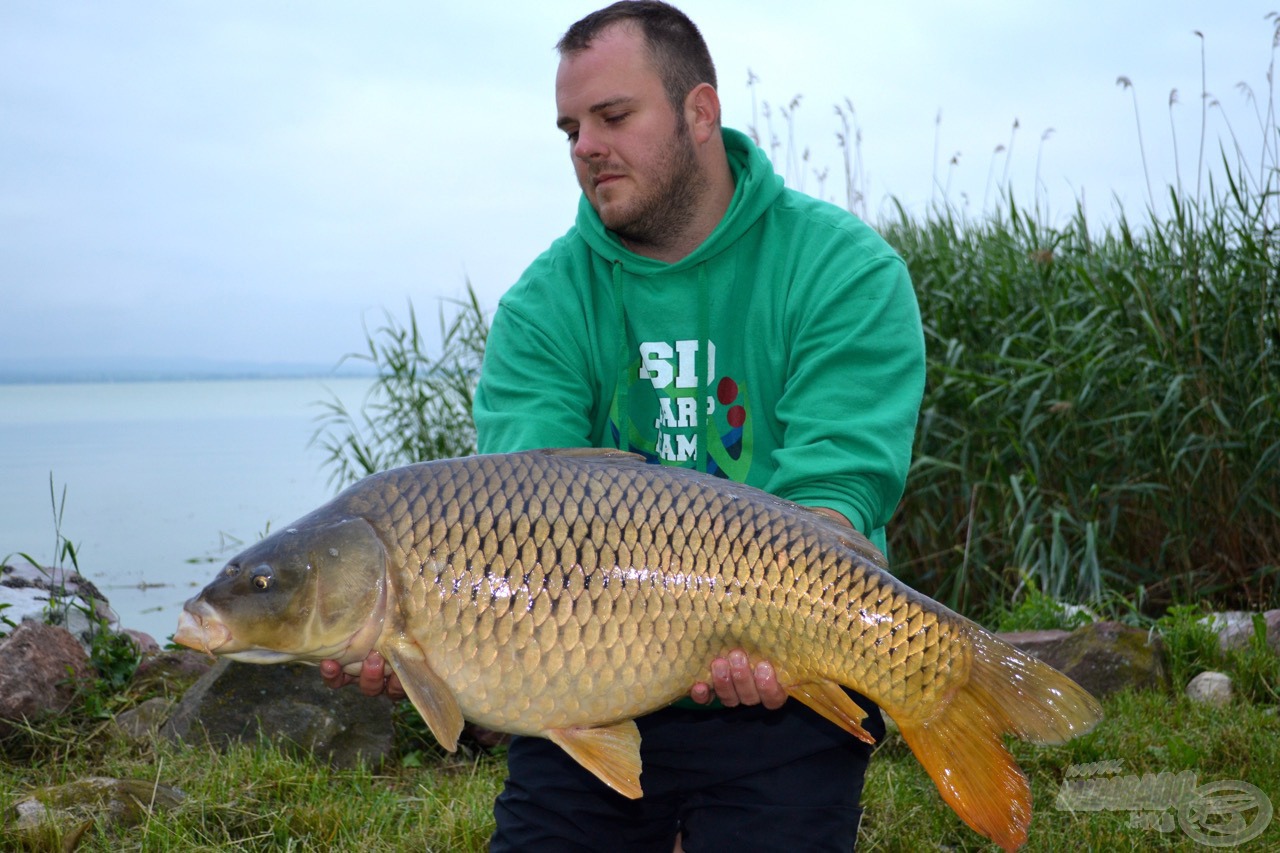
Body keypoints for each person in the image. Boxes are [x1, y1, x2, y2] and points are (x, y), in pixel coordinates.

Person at [322, 2, 925, 849]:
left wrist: (773, 630)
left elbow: (833, 498)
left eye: (613, 117)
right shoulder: (543, 306)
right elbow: (516, 521)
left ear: (700, 112)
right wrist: (426, 646)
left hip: (786, 688)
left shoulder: (843, 270)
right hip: (581, 680)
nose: (585, 147)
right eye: (570, 127)